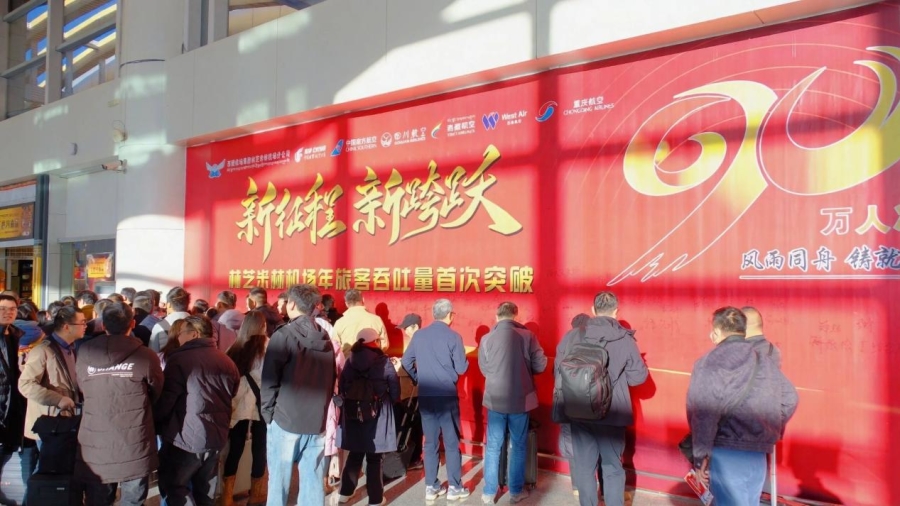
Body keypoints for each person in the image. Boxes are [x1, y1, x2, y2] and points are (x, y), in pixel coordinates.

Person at [687, 307, 798, 506]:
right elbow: (790, 398)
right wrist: (768, 428)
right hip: (757, 454)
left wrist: (700, 458)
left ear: (717, 331)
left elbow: (703, 414)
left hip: (726, 452)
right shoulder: (762, 359)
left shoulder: (708, 362)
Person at [555, 292, 648, 506]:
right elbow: (638, 378)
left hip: (579, 411)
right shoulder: (624, 339)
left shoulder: (573, 335)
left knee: (584, 467)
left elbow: (559, 370)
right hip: (613, 413)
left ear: (593, 310)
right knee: (613, 467)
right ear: (616, 311)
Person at [75, 302, 164, 506]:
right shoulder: (145, 355)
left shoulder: (85, 352)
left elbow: (82, 387)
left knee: (97, 499)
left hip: (96, 438)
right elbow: (156, 390)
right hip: (135, 438)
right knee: (132, 500)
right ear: (132, 323)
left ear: (103, 324)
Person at [261, 284, 336, 506]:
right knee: (313, 482)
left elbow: (269, 380)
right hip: (316, 420)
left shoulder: (283, 335)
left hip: (285, 418)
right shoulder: (324, 336)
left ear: (292, 304)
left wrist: (268, 414)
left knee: (279, 484)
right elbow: (331, 378)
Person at [155, 315, 239, 506]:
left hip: (184, 438)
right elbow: (232, 394)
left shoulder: (179, 360)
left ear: (194, 334)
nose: (178, 337)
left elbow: (167, 400)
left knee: (175, 488)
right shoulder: (227, 361)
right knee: (205, 491)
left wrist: (155, 423)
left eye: (181, 333)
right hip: (216, 437)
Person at [400, 299, 470, 501]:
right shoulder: (454, 337)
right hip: (446, 396)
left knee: (430, 442)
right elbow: (461, 368)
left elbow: (406, 361)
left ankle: (431, 486)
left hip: (426, 395)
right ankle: (455, 487)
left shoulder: (419, 335)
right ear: (450, 315)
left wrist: (418, 378)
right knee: (451, 442)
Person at [478, 302, 547, 504]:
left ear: (497, 315)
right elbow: (541, 365)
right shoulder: (528, 336)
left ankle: (489, 492)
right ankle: (516, 492)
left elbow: (484, 369)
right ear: (516, 315)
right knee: (518, 446)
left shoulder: (486, 338)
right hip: (520, 399)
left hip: (495, 400)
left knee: (493, 446)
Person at [336, 328, 400, 506]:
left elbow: (342, 385)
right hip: (378, 413)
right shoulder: (384, 361)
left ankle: (345, 493)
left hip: (354, 413)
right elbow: (394, 388)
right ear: (375, 342)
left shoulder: (350, 360)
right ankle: (375, 499)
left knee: (355, 453)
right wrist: (390, 401)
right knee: (374, 457)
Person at [19, 305, 84, 471]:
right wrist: (58, 399)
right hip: (49, 423)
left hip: (64, 421)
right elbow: (26, 384)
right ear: (67, 326)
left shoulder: (72, 348)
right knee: (46, 471)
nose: (85, 326)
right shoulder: (43, 350)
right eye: (82, 323)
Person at [222, 311, 269, 506]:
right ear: (263, 326)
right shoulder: (269, 347)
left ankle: (227, 496)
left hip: (238, 405)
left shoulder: (235, 347)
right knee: (260, 448)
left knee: (235, 448)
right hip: (262, 403)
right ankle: (256, 495)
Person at [0, 295, 38, 492]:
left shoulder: (14, 334)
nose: (8, 313)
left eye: (12, 309)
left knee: (8, 449)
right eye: (3, 309)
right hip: (3, 402)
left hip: (12, 402)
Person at [395, 313, 423, 470]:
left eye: (406, 328)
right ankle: (414, 458)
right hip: (412, 389)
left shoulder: (417, 340)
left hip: (413, 390)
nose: (404, 331)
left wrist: (415, 377)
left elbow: (410, 363)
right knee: (413, 424)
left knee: (413, 425)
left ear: (415, 326)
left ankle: (414, 458)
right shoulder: (418, 340)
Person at [333, 289, 386, 357]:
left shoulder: (339, 323)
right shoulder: (376, 320)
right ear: (363, 300)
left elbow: (335, 347)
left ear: (346, 303)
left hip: (348, 362)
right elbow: (384, 345)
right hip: (372, 361)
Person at [150, 287, 192, 352]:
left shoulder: (159, 326)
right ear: (187, 304)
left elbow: (153, 352)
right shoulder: (198, 325)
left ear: (169, 305)